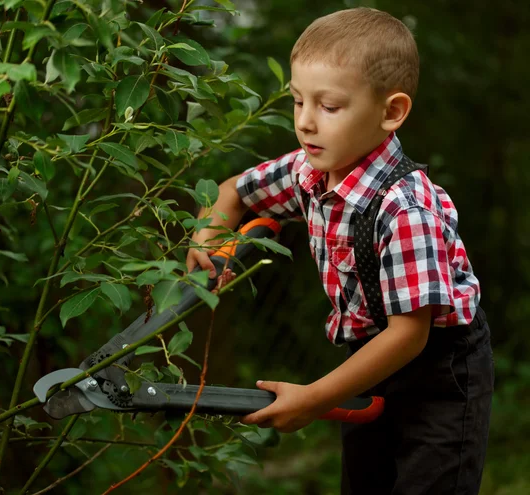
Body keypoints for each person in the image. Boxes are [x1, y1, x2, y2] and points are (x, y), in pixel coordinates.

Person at [186, 7, 494, 494]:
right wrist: (209, 237)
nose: (305, 123)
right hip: (366, 361)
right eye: (297, 102)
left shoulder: (406, 208)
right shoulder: (307, 174)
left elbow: (409, 336)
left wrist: (313, 399)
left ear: (391, 112)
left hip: (439, 373)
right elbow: (232, 192)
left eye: (328, 107)